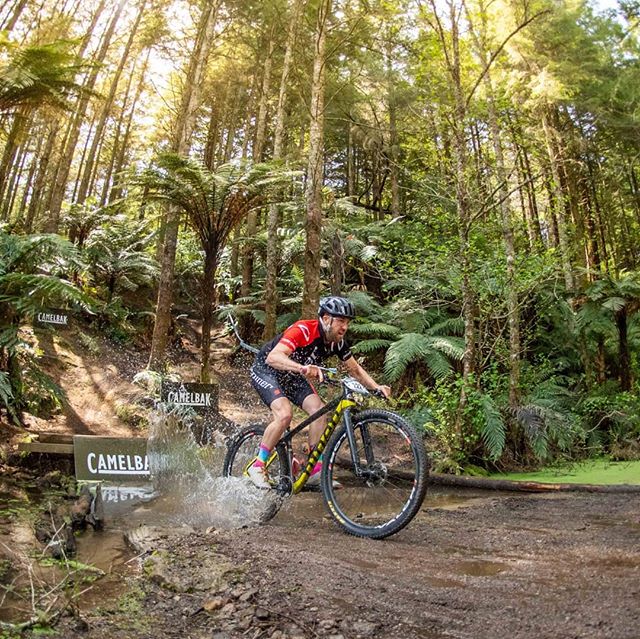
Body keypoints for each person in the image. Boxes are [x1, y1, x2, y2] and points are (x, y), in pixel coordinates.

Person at [246, 295, 391, 489]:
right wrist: (303, 368)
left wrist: (376, 387)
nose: (344, 327)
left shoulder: (337, 343)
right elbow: (273, 357)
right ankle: (258, 465)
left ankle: (314, 471)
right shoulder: (303, 330)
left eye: (347, 322)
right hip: (267, 369)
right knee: (284, 414)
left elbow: (355, 369)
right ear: (325, 319)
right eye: (340, 321)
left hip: (292, 374)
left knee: (319, 411)